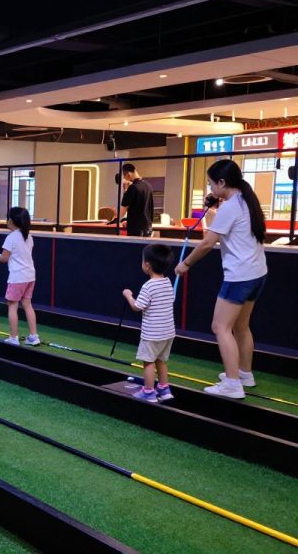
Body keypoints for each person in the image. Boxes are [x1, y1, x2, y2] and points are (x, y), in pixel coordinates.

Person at [175, 159, 267, 399]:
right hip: (257, 273)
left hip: (240, 275)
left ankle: (233, 384)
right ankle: (244, 374)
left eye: (211, 184)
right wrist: (216, 206)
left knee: (220, 326)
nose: (210, 189)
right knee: (240, 326)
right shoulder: (245, 199)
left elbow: (207, 243)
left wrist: (185, 264)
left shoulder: (230, 207)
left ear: (222, 182)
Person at [122, 244, 176, 402]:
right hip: (168, 333)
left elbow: (137, 306)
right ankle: (164, 389)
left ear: (147, 265)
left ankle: (148, 391)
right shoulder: (167, 282)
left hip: (152, 333)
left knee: (148, 362)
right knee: (161, 360)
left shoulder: (148, 286)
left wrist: (128, 295)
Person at [0, 207, 40, 346]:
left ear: (11, 221)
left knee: (12, 305)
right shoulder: (28, 236)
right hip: (30, 276)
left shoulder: (11, 238)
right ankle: (34, 336)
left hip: (18, 277)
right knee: (27, 304)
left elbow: (4, 259)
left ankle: (13, 338)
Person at [113, 163, 154, 236]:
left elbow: (123, 210)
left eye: (124, 176)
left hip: (136, 229)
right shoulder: (148, 186)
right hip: (148, 227)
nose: (125, 179)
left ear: (128, 174)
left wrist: (114, 220)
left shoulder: (133, 188)